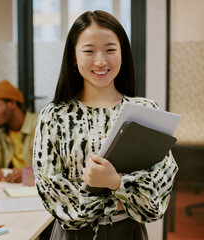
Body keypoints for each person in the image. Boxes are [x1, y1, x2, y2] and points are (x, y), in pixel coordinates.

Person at [32, 10, 178, 240]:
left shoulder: (146, 111)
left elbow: (160, 187)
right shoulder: (54, 115)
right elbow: (51, 192)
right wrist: (124, 199)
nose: (101, 61)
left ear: (123, 53)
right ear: (73, 56)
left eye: (110, 49)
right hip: (73, 235)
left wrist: (114, 181)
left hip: (129, 233)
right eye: (89, 51)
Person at [0, 80, 37, 183]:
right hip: (11, 187)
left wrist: (27, 174)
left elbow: (53, 166)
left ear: (12, 104)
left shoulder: (40, 124)